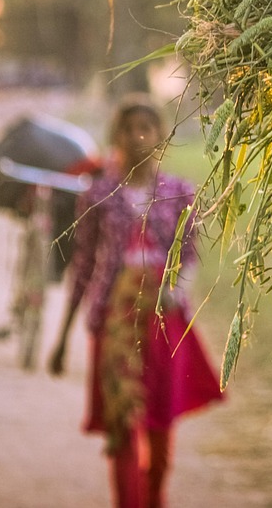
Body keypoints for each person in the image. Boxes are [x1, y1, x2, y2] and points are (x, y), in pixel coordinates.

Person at [49, 96, 222, 508]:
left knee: (160, 423)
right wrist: (62, 337)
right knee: (123, 426)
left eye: (147, 127)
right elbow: (85, 265)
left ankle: (155, 498)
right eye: (129, 128)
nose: (138, 135)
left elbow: (190, 257)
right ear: (117, 136)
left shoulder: (180, 194)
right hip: (114, 326)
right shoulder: (97, 195)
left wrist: (175, 291)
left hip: (161, 322)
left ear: (161, 136)